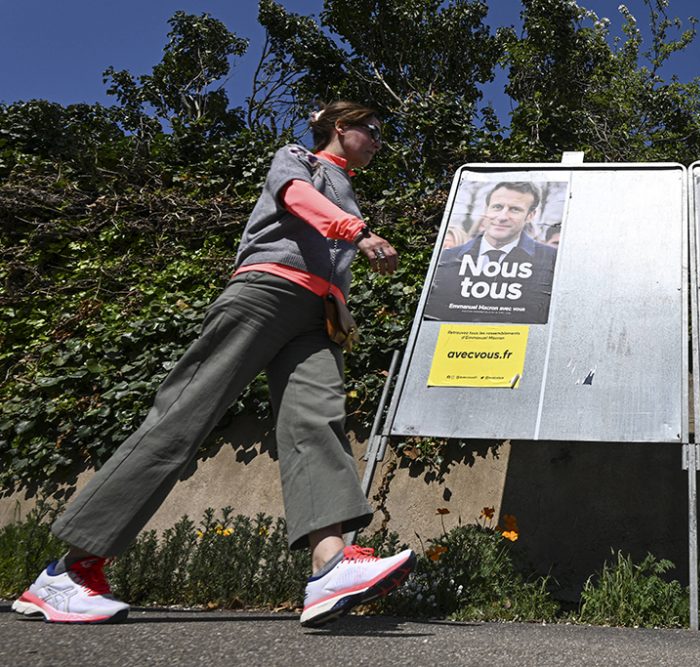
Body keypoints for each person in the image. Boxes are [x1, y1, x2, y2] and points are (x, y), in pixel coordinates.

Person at [13, 101, 415, 629]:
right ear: (340, 127)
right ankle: (70, 573)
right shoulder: (298, 158)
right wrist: (358, 233)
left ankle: (329, 565)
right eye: (373, 130)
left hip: (316, 319)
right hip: (265, 292)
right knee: (184, 418)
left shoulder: (347, 185)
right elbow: (295, 199)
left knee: (317, 424)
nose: (379, 141)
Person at [423, 181, 558, 324]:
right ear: (486, 209)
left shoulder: (550, 260)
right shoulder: (446, 259)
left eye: (514, 209)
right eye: (497, 207)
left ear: (530, 215)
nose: (502, 217)